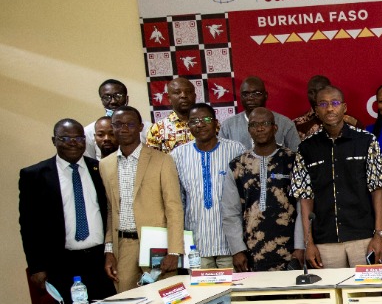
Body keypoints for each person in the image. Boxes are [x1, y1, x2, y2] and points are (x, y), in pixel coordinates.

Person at [19, 118, 113, 304]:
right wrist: (37, 266)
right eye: (65, 138)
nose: (73, 143)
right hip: (61, 262)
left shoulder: (100, 169)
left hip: (99, 260)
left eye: (78, 138)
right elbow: (29, 225)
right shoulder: (35, 175)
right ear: (54, 141)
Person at [291, 85, 382, 268]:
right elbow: (305, 199)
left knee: (364, 294)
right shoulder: (306, 148)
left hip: (363, 237)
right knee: (332, 294)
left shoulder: (366, 141)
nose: (329, 108)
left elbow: (377, 191)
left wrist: (379, 235)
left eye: (335, 103)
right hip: (325, 241)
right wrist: (308, 243)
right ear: (316, 110)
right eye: (323, 104)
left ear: (344, 107)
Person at [100, 106, 184, 291]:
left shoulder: (162, 160)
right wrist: (109, 251)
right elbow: (109, 211)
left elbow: (174, 208)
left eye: (130, 124)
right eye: (118, 124)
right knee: (128, 303)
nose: (124, 129)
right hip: (124, 245)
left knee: (166, 301)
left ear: (140, 127)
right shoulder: (105, 165)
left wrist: (174, 251)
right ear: (112, 127)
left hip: (158, 244)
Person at [222, 107, 304, 271]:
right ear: (248, 130)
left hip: (290, 252)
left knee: (294, 295)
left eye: (265, 123)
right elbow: (231, 211)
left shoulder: (293, 160)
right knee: (257, 296)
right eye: (254, 125)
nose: (260, 128)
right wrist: (237, 250)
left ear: (275, 128)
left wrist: (301, 246)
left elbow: (302, 207)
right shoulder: (238, 165)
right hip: (252, 253)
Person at [170, 103, 246, 269]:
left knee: (235, 293)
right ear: (188, 126)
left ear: (216, 122)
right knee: (202, 294)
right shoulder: (178, 155)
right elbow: (178, 201)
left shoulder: (236, 150)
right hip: (196, 245)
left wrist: (240, 246)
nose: (200, 124)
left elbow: (246, 196)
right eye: (194, 121)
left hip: (230, 245)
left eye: (206, 119)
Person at [219, 75, 300, 152]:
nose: (250, 98)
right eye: (245, 94)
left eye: (256, 94)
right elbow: (222, 157)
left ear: (266, 96)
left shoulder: (285, 124)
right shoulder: (228, 126)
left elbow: (298, 155)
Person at [293, 74, 358, 141]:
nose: (314, 96)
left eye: (320, 91)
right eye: (311, 92)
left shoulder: (351, 121)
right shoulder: (297, 125)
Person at [146, 77, 197, 153]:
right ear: (169, 98)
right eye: (177, 92)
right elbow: (152, 160)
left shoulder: (210, 124)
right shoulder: (157, 129)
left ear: (195, 96)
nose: (183, 95)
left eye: (188, 92)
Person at [85, 79, 130, 156]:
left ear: (127, 99)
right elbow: (91, 162)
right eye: (106, 97)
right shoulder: (89, 131)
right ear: (102, 101)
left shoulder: (145, 128)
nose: (113, 101)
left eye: (118, 96)